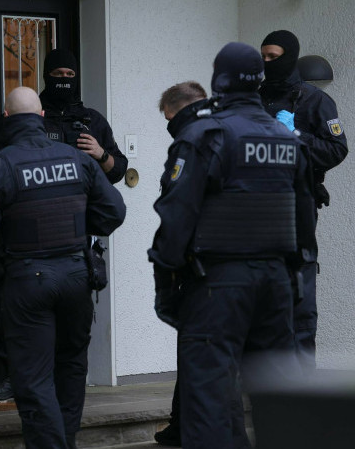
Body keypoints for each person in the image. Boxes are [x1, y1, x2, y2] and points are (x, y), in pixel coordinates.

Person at [148, 42, 315, 449]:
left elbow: (176, 219)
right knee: (277, 398)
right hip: (276, 284)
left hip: (218, 285)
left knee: (210, 400)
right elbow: (304, 221)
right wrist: (295, 283)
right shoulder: (288, 139)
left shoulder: (205, 136)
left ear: (219, 79)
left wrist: (166, 286)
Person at [0, 86, 126, 448]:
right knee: (71, 367)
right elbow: (114, 212)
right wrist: (78, 229)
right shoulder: (77, 160)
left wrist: (6, 244)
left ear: (6, 118)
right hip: (77, 276)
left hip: (27, 279)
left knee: (32, 377)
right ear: (41, 117)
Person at [259, 30, 348, 374]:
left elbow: (336, 150)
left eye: (274, 57)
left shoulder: (313, 100)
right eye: (263, 57)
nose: (268, 63)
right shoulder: (253, 99)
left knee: (298, 293)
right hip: (251, 210)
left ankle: (300, 383)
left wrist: (296, 136)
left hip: (295, 208)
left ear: (291, 56)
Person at [151, 81, 209, 447]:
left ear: (180, 110)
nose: (170, 127)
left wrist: (165, 275)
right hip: (252, 270)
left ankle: (191, 429)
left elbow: (177, 214)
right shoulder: (235, 134)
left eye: (168, 119)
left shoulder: (192, 143)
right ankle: (182, 423)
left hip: (204, 270)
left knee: (198, 353)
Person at [40, 48, 128, 184]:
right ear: (47, 76)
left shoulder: (92, 119)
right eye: (58, 73)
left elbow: (118, 172)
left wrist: (101, 154)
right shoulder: (32, 118)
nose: (64, 78)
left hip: (82, 196)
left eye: (70, 74)